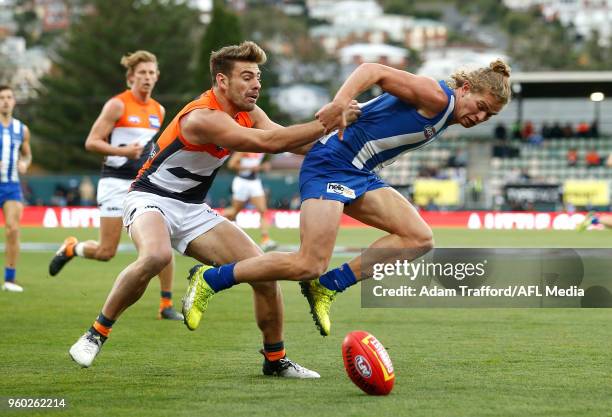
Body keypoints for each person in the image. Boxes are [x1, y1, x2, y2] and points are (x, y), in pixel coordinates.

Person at [68, 41, 359, 374]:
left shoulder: (248, 112)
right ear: (222, 81)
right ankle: (96, 334)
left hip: (193, 209)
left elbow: (289, 139)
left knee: (263, 272)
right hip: (150, 198)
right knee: (156, 256)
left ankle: (275, 361)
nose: (256, 84)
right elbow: (269, 143)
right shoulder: (202, 117)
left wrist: (348, 139)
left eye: (258, 77)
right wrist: (329, 121)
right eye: (247, 77)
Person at [182, 59, 511, 338]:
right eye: (481, 107)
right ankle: (210, 278)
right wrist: (340, 104)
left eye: (489, 116)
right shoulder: (436, 96)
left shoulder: (445, 111)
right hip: (330, 166)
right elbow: (372, 70)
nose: (480, 118)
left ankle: (327, 286)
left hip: (360, 173)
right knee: (308, 263)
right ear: (465, 88)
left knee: (419, 239)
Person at [48, 51, 182, 320]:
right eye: (142, 73)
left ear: (157, 76)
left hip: (144, 185)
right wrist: (124, 153)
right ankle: (73, 248)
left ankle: (166, 305)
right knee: (106, 251)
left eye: (152, 73)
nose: (147, 77)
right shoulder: (117, 105)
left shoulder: (159, 110)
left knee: (161, 243)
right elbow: (91, 142)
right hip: (113, 182)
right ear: (131, 76)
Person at [0, 85, 32, 292]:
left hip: (11, 185)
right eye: (1, 97)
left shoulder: (22, 129)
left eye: (9, 97)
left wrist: (25, 163)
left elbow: (28, 154)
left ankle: (9, 280)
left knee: (13, 229)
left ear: (14, 101)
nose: (5, 101)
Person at [224, 152, 277, 251]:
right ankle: (216, 219)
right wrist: (250, 168)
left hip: (254, 182)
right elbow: (231, 164)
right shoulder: (244, 149)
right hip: (242, 182)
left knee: (263, 211)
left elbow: (264, 163)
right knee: (234, 212)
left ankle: (265, 240)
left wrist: (263, 167)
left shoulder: (262, 150)